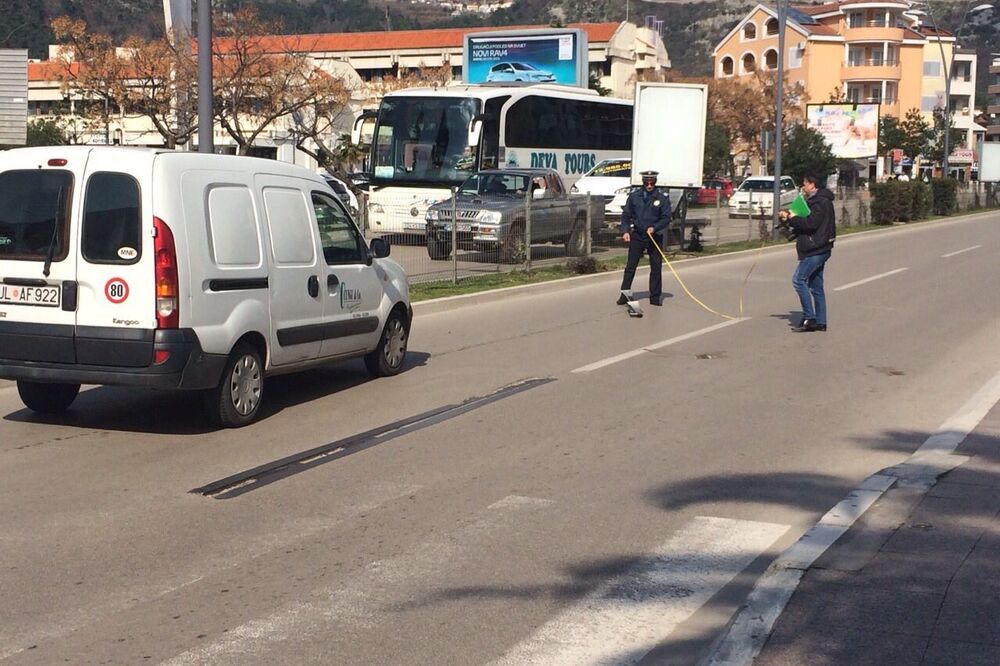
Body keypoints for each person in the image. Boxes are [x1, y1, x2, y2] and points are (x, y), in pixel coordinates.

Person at [779, 173, 836, 332]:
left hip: (816, 248)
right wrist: (790, 222)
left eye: (805, 184)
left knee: (798, 280)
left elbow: (811, 224)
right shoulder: (817, 201)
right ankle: (821, 321)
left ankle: (810, 318)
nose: (803, 187)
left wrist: (791, 217)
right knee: (816, 285)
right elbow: (808, 224)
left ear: (812, 185)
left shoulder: (820, 202)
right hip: (818, 246)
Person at [617, 170, 672, 306]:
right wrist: (625, 231)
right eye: (646, 182)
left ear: (655, 182)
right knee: (630, 267)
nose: (649, 185)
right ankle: (625, 294)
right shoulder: (635, 196)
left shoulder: (662, 198)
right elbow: (626, 215)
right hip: (638, 235)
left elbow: (666, 218)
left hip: (654, 236)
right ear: (643, 182)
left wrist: (655, 227)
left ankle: (655, 297)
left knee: (656, 268)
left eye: (652, 182)